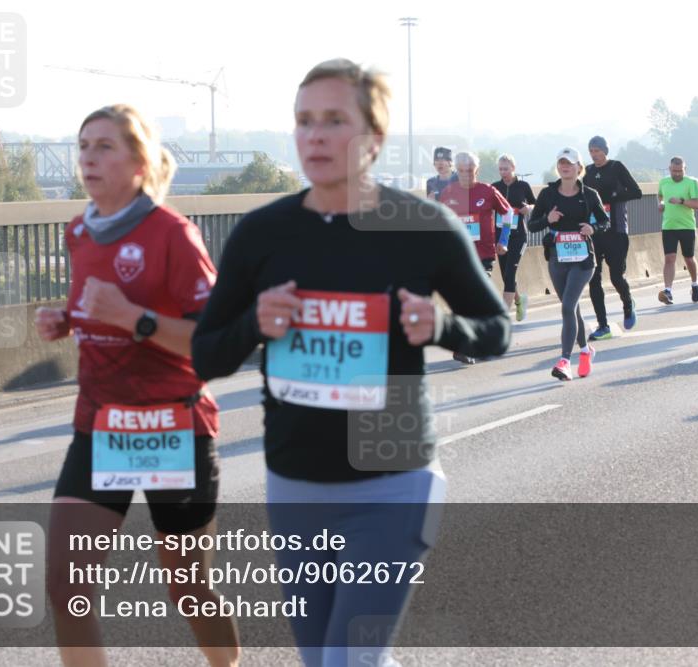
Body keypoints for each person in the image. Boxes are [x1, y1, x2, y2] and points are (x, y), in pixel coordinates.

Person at [191, 58, 510, 667]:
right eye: (304, 121)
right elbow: (204, 354)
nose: (314, 135)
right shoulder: (263, 234)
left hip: (392, 480)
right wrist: (254, 322)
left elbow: (496, 330)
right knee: (326, 660)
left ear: (374, 138)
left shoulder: (422, 227)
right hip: (295, 485)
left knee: (347, 661)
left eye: (334, 120)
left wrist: (441, 325)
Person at [36, 104, 239, 666]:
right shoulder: (80, 229)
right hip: (102, 426)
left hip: (172, 425)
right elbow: (97, 306)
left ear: (139, 161)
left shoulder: (174, 234)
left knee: (188, 589)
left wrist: (134, 319)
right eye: (83, 146)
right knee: (65, 584)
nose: (88, 158)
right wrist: (68, 320)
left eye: (104, 147)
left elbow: (214, 344)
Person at [528, 148, 609, 381]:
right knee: (571, 308)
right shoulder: (548, 194)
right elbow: (532, 225)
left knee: (567, 307)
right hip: (557, 257)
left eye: (570, 163)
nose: (565, 167)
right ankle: (585, 351)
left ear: (579, 168)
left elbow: (605, 221)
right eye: (561, 163)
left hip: (583, 260)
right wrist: (547, 219)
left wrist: (593, 228)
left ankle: (564, 361)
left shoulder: (590, 194)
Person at [439, 151, 514, 363]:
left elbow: (507, 212)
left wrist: (504, 240)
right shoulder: (448, 193)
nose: (465, 175)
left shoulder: (488, 191)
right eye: (461, 171)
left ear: (476, 170)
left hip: (483, 254)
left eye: (470, 171)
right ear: (456, 171)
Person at [583, 136, 643, 339]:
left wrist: (613, 197)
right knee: (594, 278)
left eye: (597, 150)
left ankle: (628, 304)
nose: (594, 154)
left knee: (616, 276)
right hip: (594, 232)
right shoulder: (588, 172)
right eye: (591, 151)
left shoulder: (617, 167)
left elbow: (637, 192)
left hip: (616, 231)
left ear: (605, 151)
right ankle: (603, 326)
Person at [492, 154, 536, 321]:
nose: (503, 172)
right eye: (501, 169)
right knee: (505, 275)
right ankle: (519, 301)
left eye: (506, 169)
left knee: (510, 274)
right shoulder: (494, 187)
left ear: (513, 168)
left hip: (518, 236)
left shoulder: (523, 186)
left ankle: (502, 317)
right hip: (501, 236)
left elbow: (535, 204)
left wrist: (529, 208)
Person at [656, 157, 698, 305]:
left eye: (680, 171)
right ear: (669, 169)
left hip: (687, 226)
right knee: (669, 258)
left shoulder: (691, 183)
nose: (677, 174)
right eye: (674, 171)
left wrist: (682, 201)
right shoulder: (663, 182)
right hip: (668, 226)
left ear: (685, 169)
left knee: (688, 258)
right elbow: (659, 195)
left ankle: (695, 284)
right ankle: (668, 291)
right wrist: (661, 204)